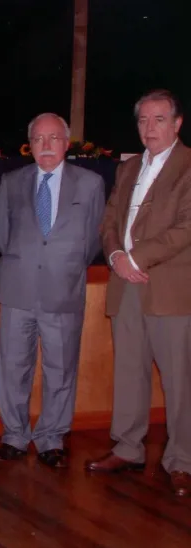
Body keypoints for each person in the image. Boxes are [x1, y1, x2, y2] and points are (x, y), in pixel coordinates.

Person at [87, 89, 191, 497]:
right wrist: (115, 256)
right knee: (129, 372)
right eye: (143, 120)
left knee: (180, 380)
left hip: (168, 288)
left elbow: (186, 227)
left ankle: (182, 460)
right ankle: (128, 448)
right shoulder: (128, 168)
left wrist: (136, 258)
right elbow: (110, 220)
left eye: (159, 119)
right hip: (124, 283)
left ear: (177, 123)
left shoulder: (188, 165)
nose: (150, 127)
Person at [0, 113, 105, 468]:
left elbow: (93, 240)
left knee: (61, 370)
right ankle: (14, 436)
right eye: (38, 139)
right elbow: (3, 236)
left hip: (63, 289)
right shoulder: (11, 182)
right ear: (30, 145)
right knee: (13, 368)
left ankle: (51, 438)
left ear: (66, 143)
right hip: (17, 289)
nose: (46, 145)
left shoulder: (90, 184)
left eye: (54, 138)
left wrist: (63, 264)